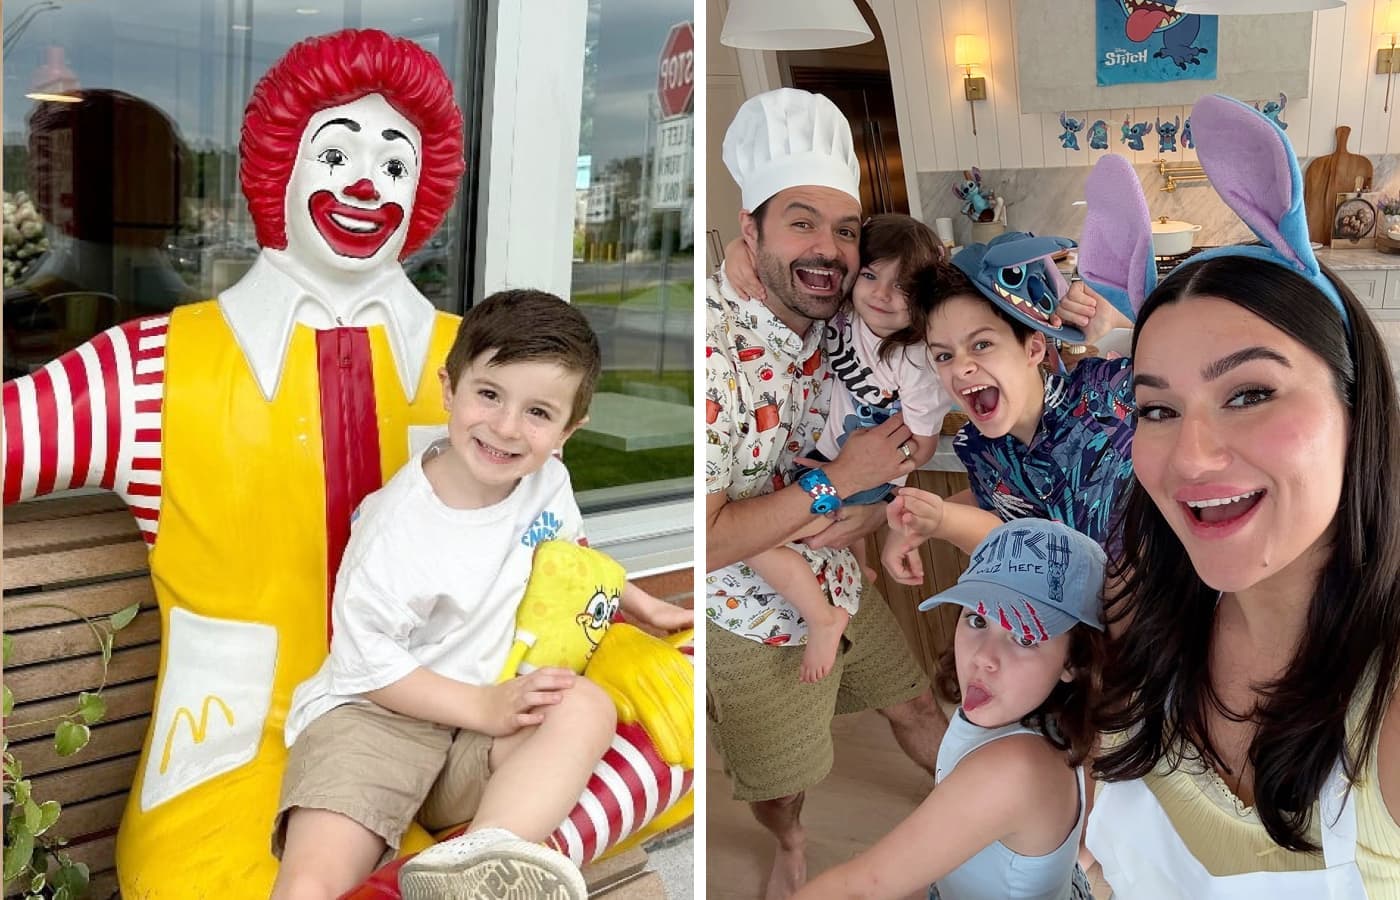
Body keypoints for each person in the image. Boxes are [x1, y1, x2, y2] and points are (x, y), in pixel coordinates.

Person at [1, 28, 692, 897]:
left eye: (395, 165)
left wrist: (618, 621)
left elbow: (546, 545)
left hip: (473, 736)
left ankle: (468, 865)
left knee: (674, 713)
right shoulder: (150, 368)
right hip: (239, 753)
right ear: (278, 165)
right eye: (336, 152)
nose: (366, 183)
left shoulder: (484, 366)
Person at [269, 290, 690, 899]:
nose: (506, 427)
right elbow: (368, 665)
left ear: (570, 429)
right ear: (450, 389)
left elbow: (570, 561)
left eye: (539, 413)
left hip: (484, 721)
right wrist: (485, 708)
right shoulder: (397, 528)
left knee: (587, 706)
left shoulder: (547, 481)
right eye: (489, 395)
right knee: (315, 880)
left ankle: (481, 862)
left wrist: (642, 604)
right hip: (378, 717)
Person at [1087, 94, 1400, 895]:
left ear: (1354, 410)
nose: (1191, 458)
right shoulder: (1140, 596)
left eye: (1251, 393)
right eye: (1157, 408)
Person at [706, 87, 947, 900]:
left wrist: (877, 507)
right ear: (751, 229)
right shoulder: (710, 351)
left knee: (915, 705)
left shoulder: (827, 308)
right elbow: (702, 541)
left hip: (836, 567)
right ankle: (794, 842)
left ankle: (967, 804)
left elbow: (942, 340)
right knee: (783, 780)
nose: (832, 250)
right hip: (745, 602)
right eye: (801, 222)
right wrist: (841, 485)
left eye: (845, 231)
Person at [796, 518, 1104, 900]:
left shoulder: (1013, 769)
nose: (983, 658)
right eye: (977, 619)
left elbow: (861, 888)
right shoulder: (1061, 720)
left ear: (1074, 662)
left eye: (1024, 637)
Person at [719, 213, 953, 682]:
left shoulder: (917, 361)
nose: (882, 294)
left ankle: (824, 618)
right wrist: (735, 250)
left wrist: (876, 484)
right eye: (870, 275)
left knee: (757, 541)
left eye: (903, 287)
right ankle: (859, 576)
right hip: (839, 462)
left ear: (926, 297)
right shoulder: (845, 312)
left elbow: (923, 446)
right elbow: (772, 263)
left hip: (866, 472)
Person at [881, 234, 1137, 585]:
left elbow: (1214, 349)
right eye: (944, 355)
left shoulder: (1104, 393)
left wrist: (1121, 313)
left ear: (1033, 349)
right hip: (1075, 631)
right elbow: (999, 509)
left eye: (982, 344)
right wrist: (919, 525)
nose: (960, 368)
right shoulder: (976, 447)